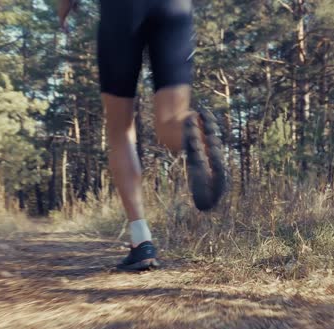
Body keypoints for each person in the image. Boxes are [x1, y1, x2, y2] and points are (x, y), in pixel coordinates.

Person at [58, 0, 227, 271]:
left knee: (120, 132)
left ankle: (142, 242)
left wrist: (63, 13)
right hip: (174, 7)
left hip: (122, 11)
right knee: (171, 124)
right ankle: (189, 126)